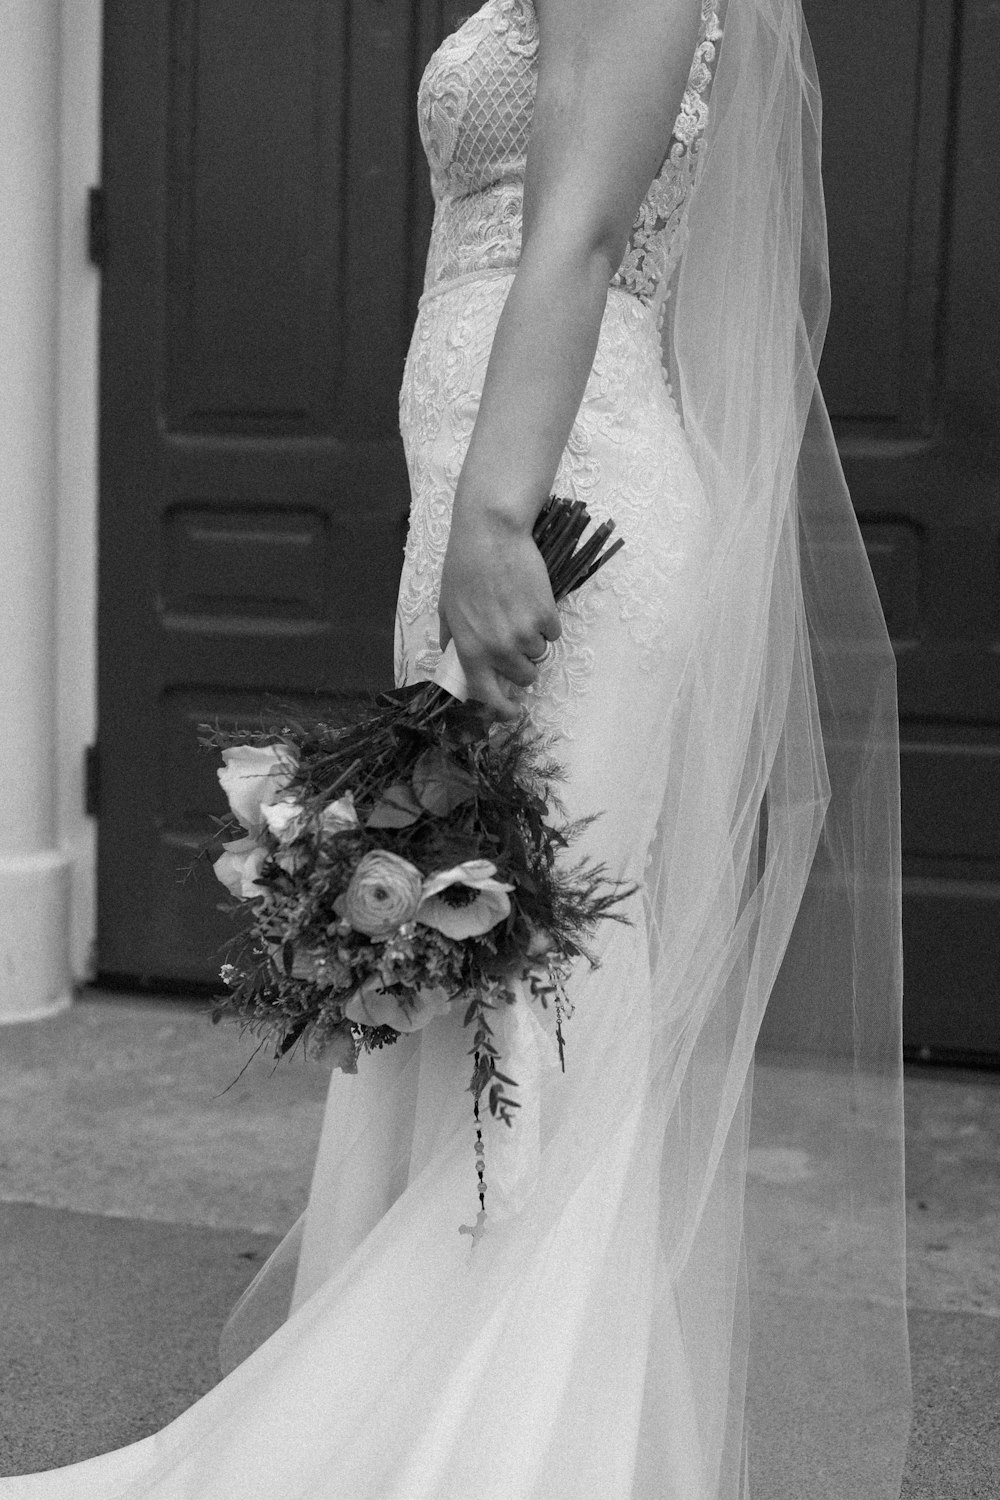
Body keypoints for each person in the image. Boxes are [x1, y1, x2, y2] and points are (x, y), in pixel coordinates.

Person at [2, 0, 911, 1495]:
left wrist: (495, 518)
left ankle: (511, 1447)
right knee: (456, 978)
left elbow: (584, 234)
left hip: (565, 526)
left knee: (535, 997)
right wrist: (459, 514)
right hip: (491, 500)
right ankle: (389, 1415)